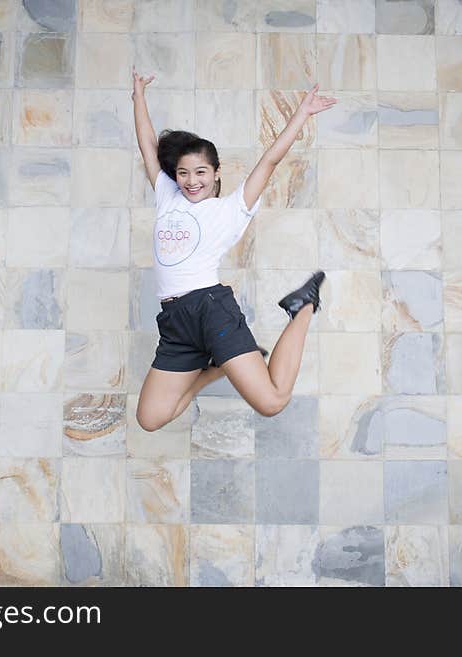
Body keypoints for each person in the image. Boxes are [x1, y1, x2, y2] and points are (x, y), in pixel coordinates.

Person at [132, 66, 335, 431]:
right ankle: (211, 372)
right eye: (183, 173)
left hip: (210, 310)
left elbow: (269, 160)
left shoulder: (232, 208)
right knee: (150, 418)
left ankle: (303, 306)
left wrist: (301, 114)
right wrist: (139, 96)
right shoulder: (168, 197)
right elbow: (147, 145)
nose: (191, 181)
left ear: (215, 172)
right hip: (175, 322)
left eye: (200, 173)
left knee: (272, 402)